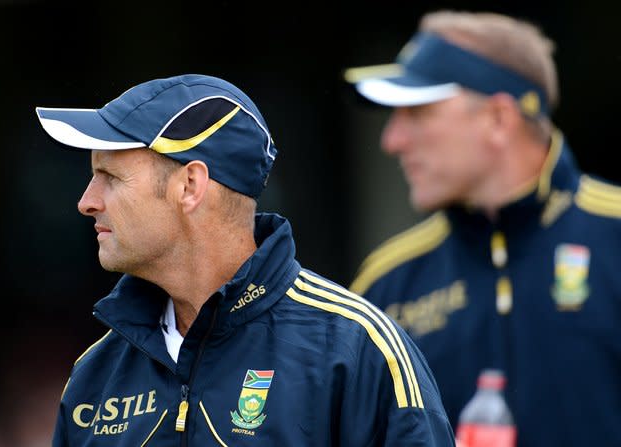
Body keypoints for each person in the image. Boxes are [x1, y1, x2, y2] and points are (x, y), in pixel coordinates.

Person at [35, 74, 454, 446]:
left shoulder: (354, 350)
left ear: (190, 186)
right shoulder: (95, 374)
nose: (86, 202)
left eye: (110, 177)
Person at [344, 10, 621, 447]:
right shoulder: (383, 285)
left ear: (498, 118)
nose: (391, 141)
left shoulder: (613, 236)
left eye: (416, 113)